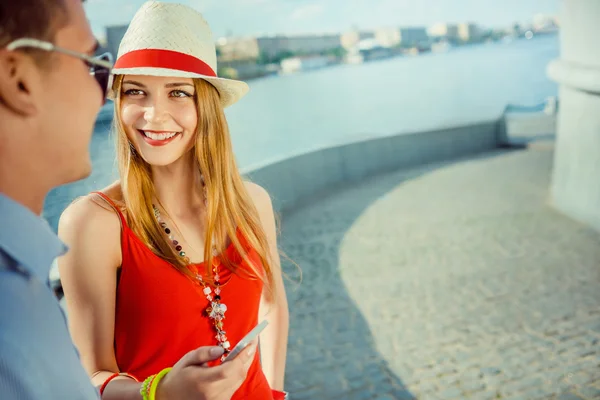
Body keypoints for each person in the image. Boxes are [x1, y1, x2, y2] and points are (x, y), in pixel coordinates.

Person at [58, 2, 290, 399]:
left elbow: (273, 309)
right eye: (136, 92)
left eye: (178, 93)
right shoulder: (94, 222)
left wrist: (275, 392)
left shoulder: (253, 203)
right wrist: (160, 393)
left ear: (207, 107)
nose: (154, 114)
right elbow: (89, 376)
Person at [0, 0, 107, 398]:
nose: (102, 92)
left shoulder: (23, 279)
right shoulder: (10, 323)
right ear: (18, 79)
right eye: (87, 60)